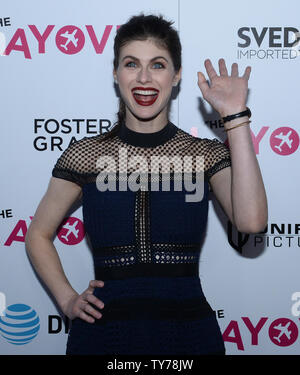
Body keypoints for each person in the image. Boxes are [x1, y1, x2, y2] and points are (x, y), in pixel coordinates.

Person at [25, 14, 268, 355]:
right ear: (115, 73)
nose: (143, 78)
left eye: (157, 65)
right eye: (131, 64)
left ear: (176, 75)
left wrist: (235, 117)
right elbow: (37, 234)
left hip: (189, 335)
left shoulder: (204, 155)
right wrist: (66, 300)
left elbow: (251, 222)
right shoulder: (86, 155)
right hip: (102, 336)